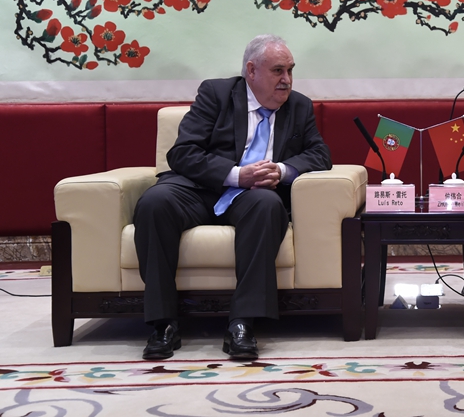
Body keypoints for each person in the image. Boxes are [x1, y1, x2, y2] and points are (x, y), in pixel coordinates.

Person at [133, 34, 332, 360]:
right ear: (251, 70)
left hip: (252, 198)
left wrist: (281, 170)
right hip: (201, 189)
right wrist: (237, 175)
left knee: (268, 205)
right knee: (155, 202)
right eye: (278, 71)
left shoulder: (299, 106)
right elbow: (183, 153)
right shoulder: (217, 94)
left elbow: (320, 155)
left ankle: (243, 323)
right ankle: (163, 323)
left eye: (290, 70)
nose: (287, 80)